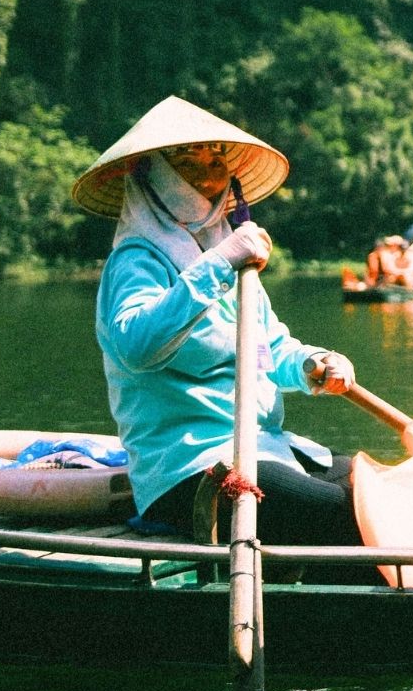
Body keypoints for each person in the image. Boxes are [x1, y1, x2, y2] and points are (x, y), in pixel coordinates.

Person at [81, 96, 361, 547]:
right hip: (190, 469)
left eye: (216, 160)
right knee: (342, 514)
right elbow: (137, 346)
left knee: (378, 486)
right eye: (187, 163)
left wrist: (313, 363)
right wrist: (219, 264)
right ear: (153, 175)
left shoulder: (230, 250)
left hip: (265, 447)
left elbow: (269, 349)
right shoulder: (137, 260)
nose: (208, 175)